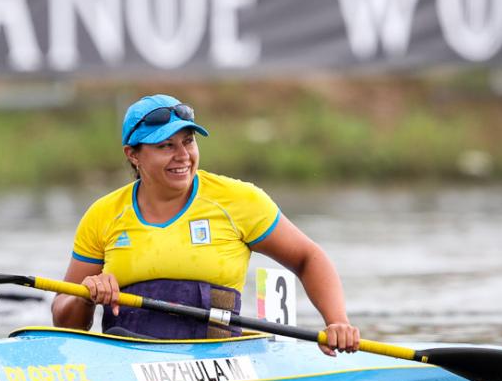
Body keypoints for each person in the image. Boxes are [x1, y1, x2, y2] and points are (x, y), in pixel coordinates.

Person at [51, 94, 360, 357]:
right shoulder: (103, 215)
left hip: (220, 364)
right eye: (166, 146)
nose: (183, 156)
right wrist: (85, 295)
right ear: (133, 155)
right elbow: (65, 322)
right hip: (126, 363)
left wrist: (337, 322)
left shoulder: (239, 201)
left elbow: (309, 258)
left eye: (188, 142)